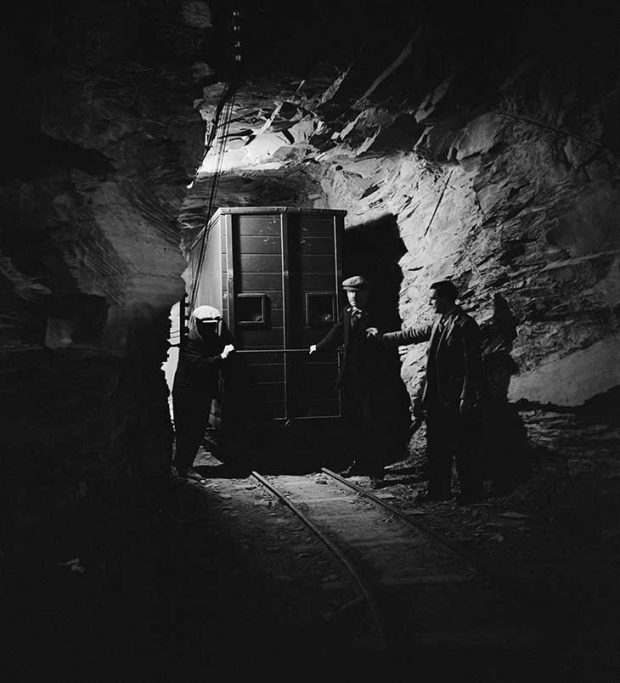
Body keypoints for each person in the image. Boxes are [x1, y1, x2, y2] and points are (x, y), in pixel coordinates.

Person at [369, 280, 484, 502]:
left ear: (446, 298)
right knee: (437, 446)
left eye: (433, 298)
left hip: (454, 397)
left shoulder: (464, 324)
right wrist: (382, 338)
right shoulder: (440, 320)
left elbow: (473, 364)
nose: (430, 302)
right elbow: (413, 333)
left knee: (461, 445)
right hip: (437, 397)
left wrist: (466, 396)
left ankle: (470, 492)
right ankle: (438, 490)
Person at [310, 276, 410, 488]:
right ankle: (358, 463)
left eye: (357, 293)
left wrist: (380, 334)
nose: (353, 297)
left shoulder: (380, 313)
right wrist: (318, 347)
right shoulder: (346, 312)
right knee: (354, 423)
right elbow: (337, 332)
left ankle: (376, 472)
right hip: (351, 378)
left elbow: (393, 334)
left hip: (374, 380)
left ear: (367, 294)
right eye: (349, 293)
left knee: (374, 424)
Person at [172, 305, 235, 482]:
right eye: (206, 324)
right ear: (197, 323)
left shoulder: (208, 336)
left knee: (197, 430)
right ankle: (183, 467)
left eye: (213, 324)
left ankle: (182, 465)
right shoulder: (190, 341)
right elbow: (199, 366)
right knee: (187, 431)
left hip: (200, 393)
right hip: (187, 394)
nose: (210, 328)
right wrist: (222, 357)